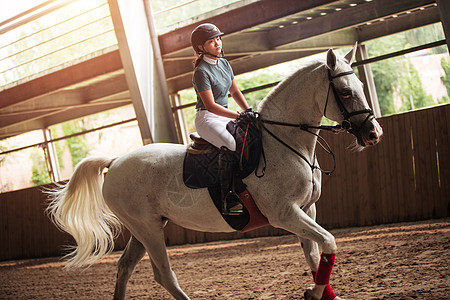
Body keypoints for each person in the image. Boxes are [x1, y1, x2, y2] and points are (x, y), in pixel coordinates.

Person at [191, 23, 250, 215]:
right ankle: (228, 197)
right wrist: (239, 116)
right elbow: (210, 105)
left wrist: (249, 111)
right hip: (207, 119)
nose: (217, 43)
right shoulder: (201, 72)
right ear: (201, 47)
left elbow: (234, 91)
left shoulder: (224, 63)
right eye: (211, 41)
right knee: (231, 144)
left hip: (224, 116)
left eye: (218, 38)